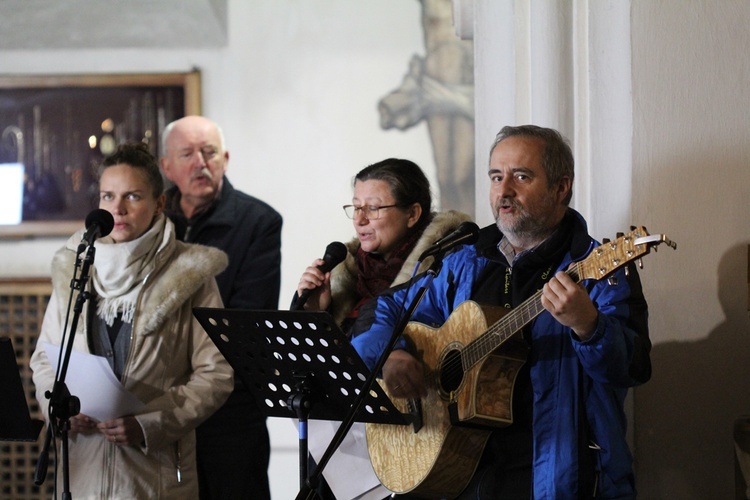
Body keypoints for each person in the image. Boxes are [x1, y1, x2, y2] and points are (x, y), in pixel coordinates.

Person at [350, 125, 652, 498]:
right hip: (455, 473)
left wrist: (588, 326)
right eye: (496, 177)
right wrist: (390, 355)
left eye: (521, 176)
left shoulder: (599, 270)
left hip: (555, 478)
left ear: (561, 188)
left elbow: (633, 368)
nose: (504, 191)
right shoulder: (463, 259)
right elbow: (382, 309)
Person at [30, 142, 233, 499]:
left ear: (159, 203)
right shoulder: (74, 267)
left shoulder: (190, 274)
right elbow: (46, 359)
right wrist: (56, 408)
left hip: (153, 476)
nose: (118, 209)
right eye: (108, 196)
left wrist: (148, 426)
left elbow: (216, 375)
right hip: (81, 471)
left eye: (133, 196)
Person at [294, 157, 471, 499]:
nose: (359, 220)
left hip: (418, 443)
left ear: (413, 214)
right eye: (355, 207)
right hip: (342, 448)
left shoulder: (445, 267)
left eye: (373, 208)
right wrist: (317, 312)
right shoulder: (344, 272)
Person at [160, 115, 282, 500]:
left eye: (209, 152)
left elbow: (247, 319)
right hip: (163, 400)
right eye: (187, 154)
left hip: (232, 404)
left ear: (225, 159)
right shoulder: (153, 221)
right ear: (167, 166)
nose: (200, 162)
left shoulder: (257, 221)